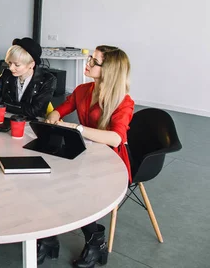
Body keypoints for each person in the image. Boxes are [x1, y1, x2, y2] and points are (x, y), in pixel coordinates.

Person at [38, 46, 134, 267]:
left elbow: (116, 139)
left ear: (108, 70)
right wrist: (52, 117)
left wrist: (76, 128)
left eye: (94, 61)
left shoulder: (124, 101)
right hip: (84, 152)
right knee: (46, 179)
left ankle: (95, 242)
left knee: (72, 187)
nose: (88, 63)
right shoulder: (83, 90)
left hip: (111, 163)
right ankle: (49, 236)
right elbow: (59, 110)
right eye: (90, 58)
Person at [0, 37, 56, 119]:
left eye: (17, 65)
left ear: (31, 64)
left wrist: (2, 107)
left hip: (34, 126)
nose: (11, 68)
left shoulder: (47, 79)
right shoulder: (7, 74)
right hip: (9, 120)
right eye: (10, 63)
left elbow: (35, 111)